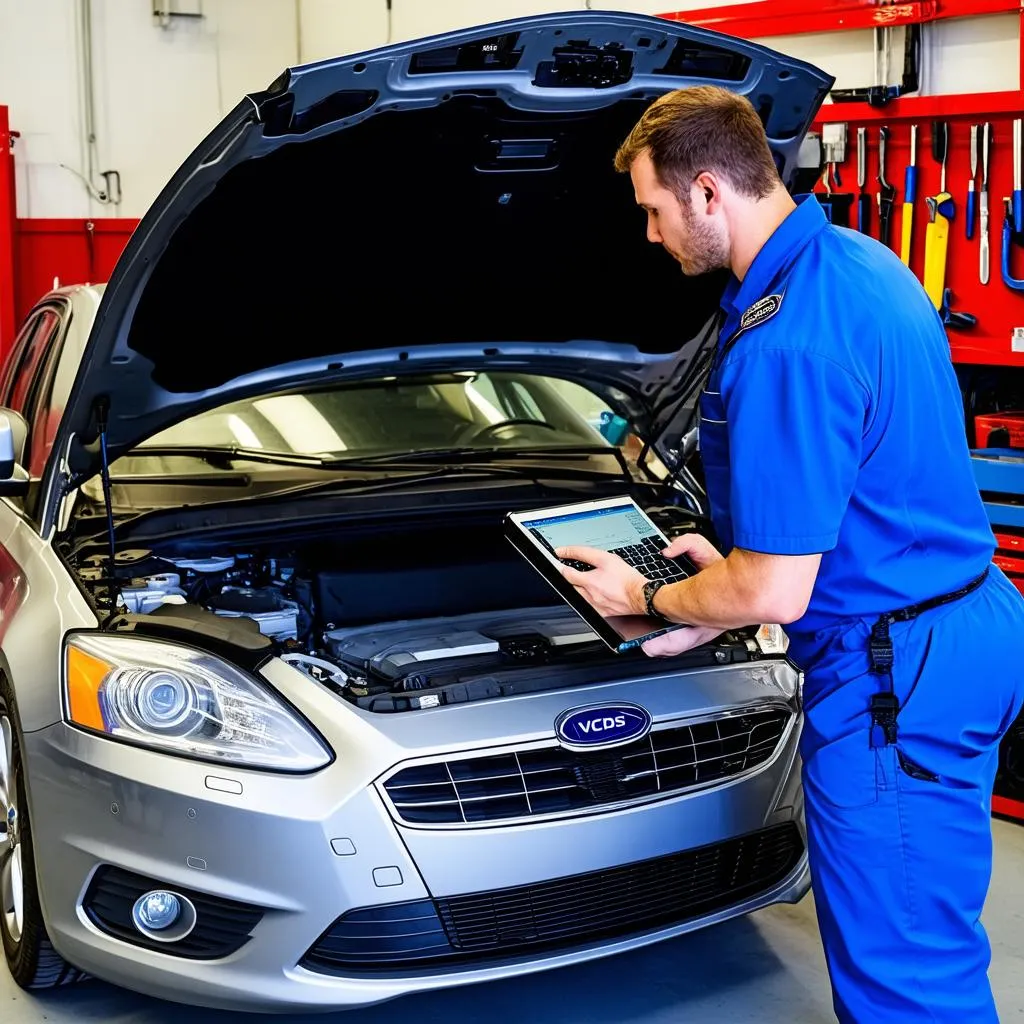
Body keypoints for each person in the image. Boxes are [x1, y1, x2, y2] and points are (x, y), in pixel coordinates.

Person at [555, 84, 1024, 1023]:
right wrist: (717, 566)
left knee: (907, 979)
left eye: (653, 209)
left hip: (893, 675)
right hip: (962, 623)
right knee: (927, 921)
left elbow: (774, 586)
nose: (650, 235)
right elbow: (837, 498)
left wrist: (650, 602)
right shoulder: (859, 265)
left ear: (706, 194)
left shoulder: (787, 341)